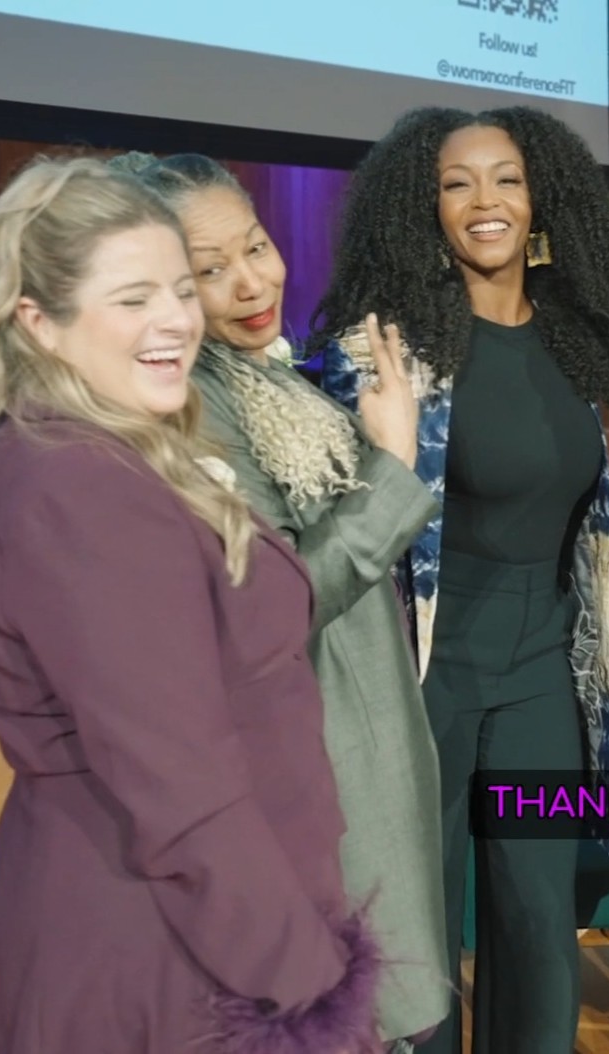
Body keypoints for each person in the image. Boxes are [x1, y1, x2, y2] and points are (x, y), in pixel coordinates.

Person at [0, 156, 381, 1053]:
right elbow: (178, 782)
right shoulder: (79, 485)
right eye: (134, 297)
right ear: (40, 323)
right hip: (180, 950)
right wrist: (306, 991)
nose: (177, 320)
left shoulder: (85, 450)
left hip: (184, 918)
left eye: (181, 290)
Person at [308, 105, 609, 1054]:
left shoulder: (577, 340)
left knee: (540, 919)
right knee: (411, 926)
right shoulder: (379, 348)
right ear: (424, 207)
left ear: (543, 197)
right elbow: (341, 521)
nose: (484, 201)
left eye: (506, 178)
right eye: (456, 183)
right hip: (422, 677)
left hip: (544, 669)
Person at [115, 151, 450, 1049]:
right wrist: (391, 463)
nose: (250, 282)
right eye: (207, 271)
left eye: (255, 246)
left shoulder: (260, 375)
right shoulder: (183, 404)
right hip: (314, 761)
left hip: (363, 738)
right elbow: (276, 608)